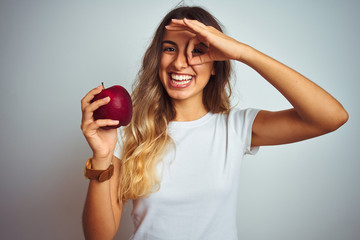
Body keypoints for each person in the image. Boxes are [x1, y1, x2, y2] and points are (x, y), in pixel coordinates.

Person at [80, 6, 348, 240]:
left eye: (197, 51)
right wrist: (102, 155)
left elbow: (331, 117)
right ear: (157, 58)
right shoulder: (129, 133)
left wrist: (243, 52)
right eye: (169, 48)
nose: (180, 62)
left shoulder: (236, 127)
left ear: (217, 63)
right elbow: (98, 236)